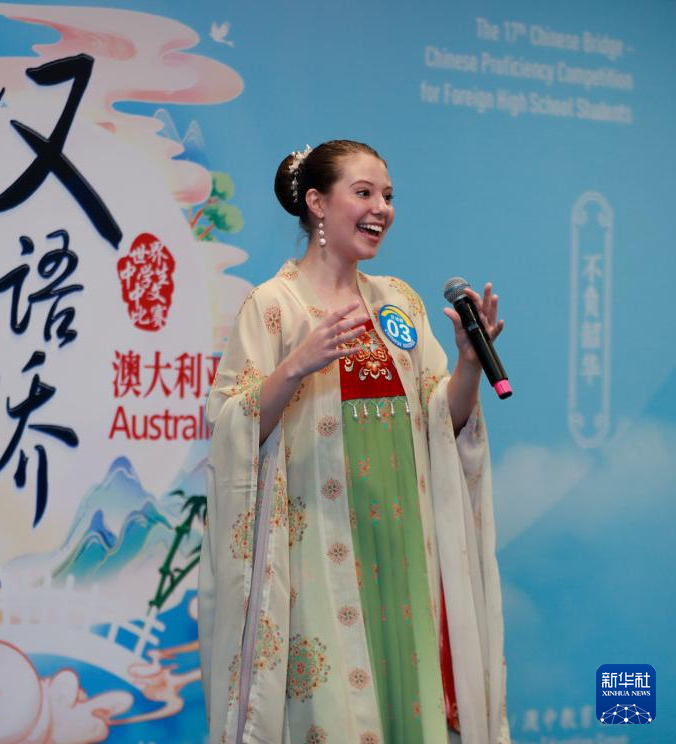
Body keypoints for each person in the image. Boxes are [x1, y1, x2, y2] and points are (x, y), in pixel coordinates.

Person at [197, 140, 510, 744]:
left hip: (404, 550)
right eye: (363, 193)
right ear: (317, 203)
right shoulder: (273, 306)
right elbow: (233, 427)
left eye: (387, 195)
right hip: (317, 555)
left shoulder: (399, 301)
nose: (381, 208)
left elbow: (440, 421)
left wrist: (469, 366)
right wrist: (296, 365)